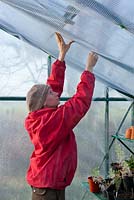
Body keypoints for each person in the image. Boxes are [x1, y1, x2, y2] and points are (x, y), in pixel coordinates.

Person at [25, 32, 98, 200]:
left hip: (48, 185)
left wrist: (61, 56)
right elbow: (79, 103)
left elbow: (52, 87)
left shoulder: (41, 115)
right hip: (47, 191)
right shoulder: (51, 122)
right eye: (51, 93)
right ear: (44, 102)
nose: (56, 93)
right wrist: (89, 69)